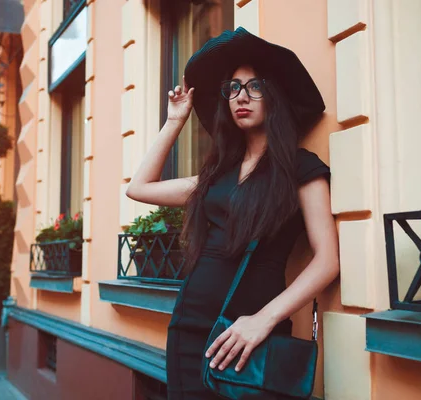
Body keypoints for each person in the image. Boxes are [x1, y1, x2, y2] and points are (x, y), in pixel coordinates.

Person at [126, 27, 340, 399]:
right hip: (190, 329)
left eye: (254, 86)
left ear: (275, 95)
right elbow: (139, 188)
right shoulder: (217, 175)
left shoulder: (301, 169)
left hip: (250, 335)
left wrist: (263, 320)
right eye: (233, 88)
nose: (241, 97)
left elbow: (327, 261)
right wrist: (176, 121)